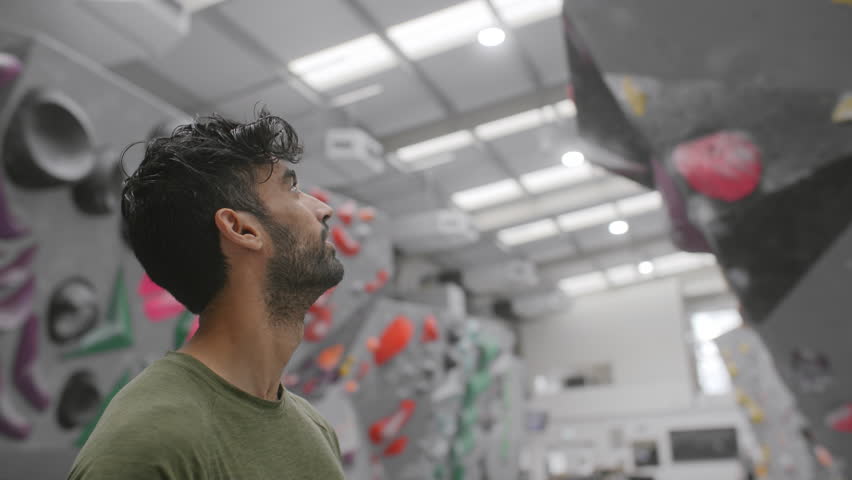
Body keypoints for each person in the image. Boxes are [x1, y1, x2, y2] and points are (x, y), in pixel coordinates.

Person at [68, 109, 346, 479]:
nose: (323, 209)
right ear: (241, 228)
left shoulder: (316, 429)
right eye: (292, 188)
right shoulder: (148, 446)